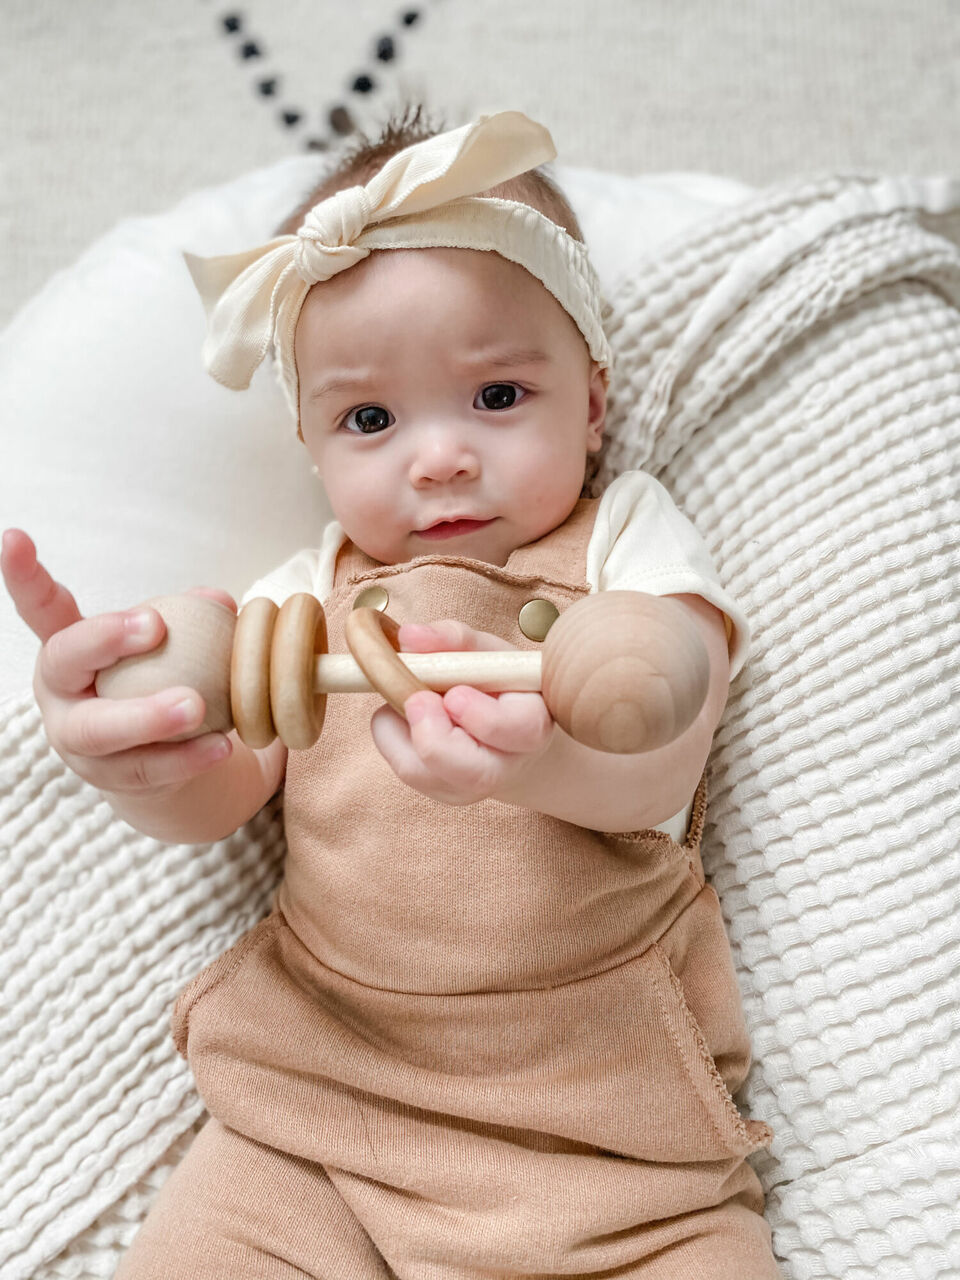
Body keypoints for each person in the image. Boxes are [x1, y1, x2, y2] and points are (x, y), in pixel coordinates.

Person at [2, 108, 780, 1278]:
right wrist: (142, 753)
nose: (439, 457)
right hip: (321, 1111)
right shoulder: (306, 596)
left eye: (498, 396)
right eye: (370, 419)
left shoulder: (621, 541)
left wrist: (543, 758)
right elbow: (223, 796)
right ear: (313, 447)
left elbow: (664, 736)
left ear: (595, 400)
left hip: (603, 1130)